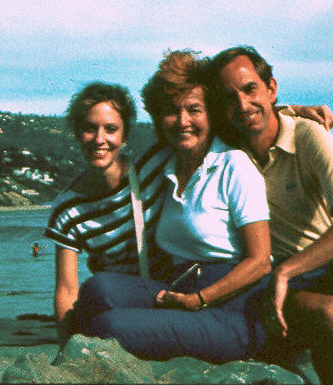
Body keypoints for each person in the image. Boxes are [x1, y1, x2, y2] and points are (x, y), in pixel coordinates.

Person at [207, 46, 333, 384]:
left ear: (271, 88)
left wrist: (286, 270)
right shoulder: (226, 150)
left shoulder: (308, 133)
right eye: (230, 97)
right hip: (283, 289)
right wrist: (282, 275)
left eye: (250, 89)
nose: (241, 104)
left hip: (326, 264)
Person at [68, 50, 272, 362]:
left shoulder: (234, 165)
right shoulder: (165, 163)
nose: (182, 122)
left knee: (109, 327)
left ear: (212, 113)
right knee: (97, 289)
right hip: (180, 288)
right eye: (171, 111)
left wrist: (200, 299)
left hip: (233, 311)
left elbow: (260, 262)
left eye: (194, 109)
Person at [45, 82, 173, 348]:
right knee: (99, 287)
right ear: (78, 133)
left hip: (169, 294)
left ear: (124, 136)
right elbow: (67, 289)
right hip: (115, 303)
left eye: (111, 129)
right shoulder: (67, 209)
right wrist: (68, 351)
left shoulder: (152, 165)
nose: (99, 139)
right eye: (90, 128)